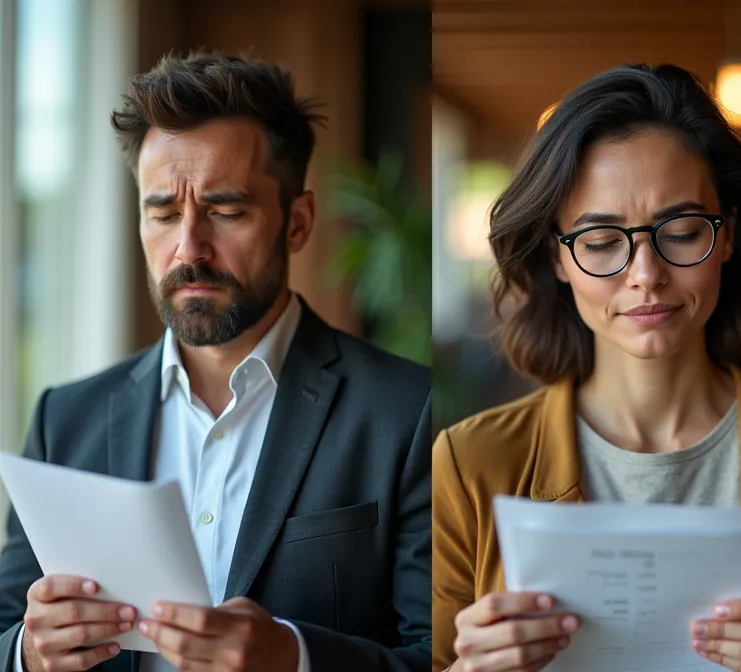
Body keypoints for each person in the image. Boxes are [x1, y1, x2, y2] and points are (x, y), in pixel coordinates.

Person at [430, 64, 741, 672]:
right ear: (558, 259)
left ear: (725, 237)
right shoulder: (468, 464)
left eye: (683, 230)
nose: (645, 274)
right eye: (601, 242)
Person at [0, 53, 433, 672]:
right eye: (163, 213)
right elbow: (4, 629)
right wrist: (28, 653)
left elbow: (443, 656)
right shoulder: (64, 418)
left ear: (298, 222)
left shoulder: (407, 411)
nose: (189, 248)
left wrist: (296, 658)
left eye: (227, 212)